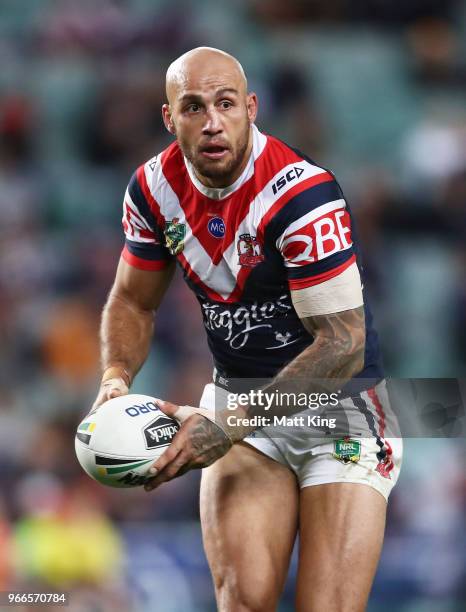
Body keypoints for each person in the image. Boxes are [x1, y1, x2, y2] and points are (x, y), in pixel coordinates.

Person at [92, 47, 402, 612]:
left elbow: (343, 344)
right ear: (169, 118)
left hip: (342, 411)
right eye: (193, 107)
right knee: (243, 603)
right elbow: (133, 303)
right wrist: (116, 377)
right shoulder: (151, 190)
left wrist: (228, 425)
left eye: (226, 104)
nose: (212, 122)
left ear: (251, 109)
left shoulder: (303, 196)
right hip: (240, 401)